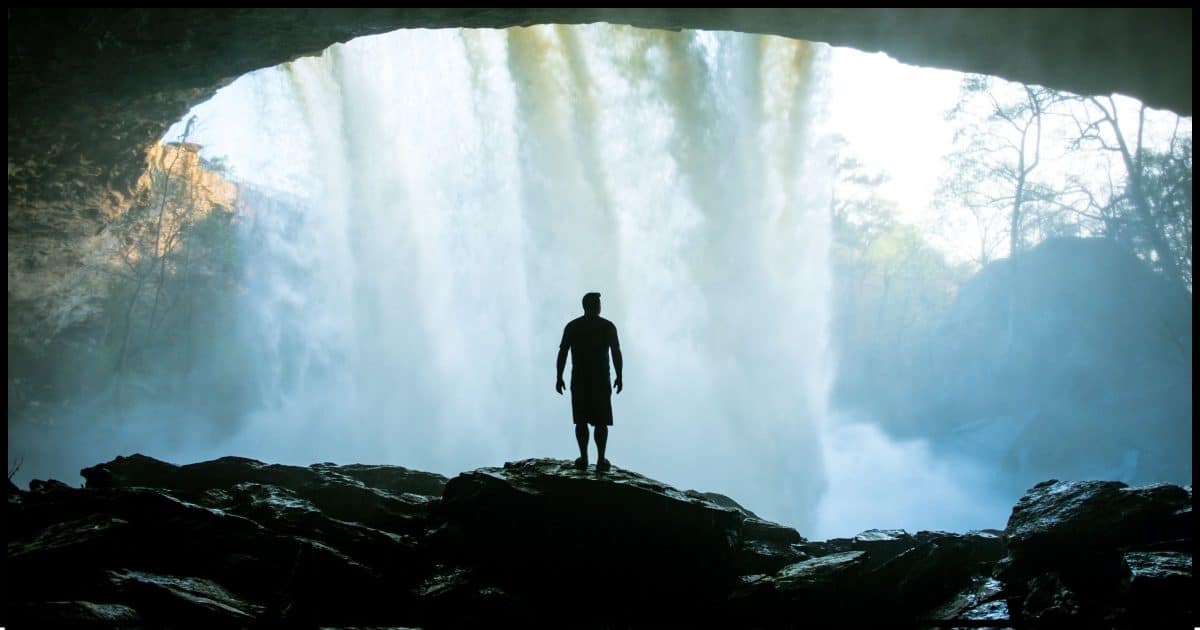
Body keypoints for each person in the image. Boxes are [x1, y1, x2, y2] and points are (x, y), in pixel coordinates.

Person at [556, 292, 623, 471]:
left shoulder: (573, 326)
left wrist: (559, 377)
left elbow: (563, 352)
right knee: (600, 421)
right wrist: (619, 376)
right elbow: (616, 352)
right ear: (594, 306)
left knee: (581, 420)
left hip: (580, 380)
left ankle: (584, 458)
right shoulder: (607, 327)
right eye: (597, 303)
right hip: (601, 380)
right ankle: (601, 459)